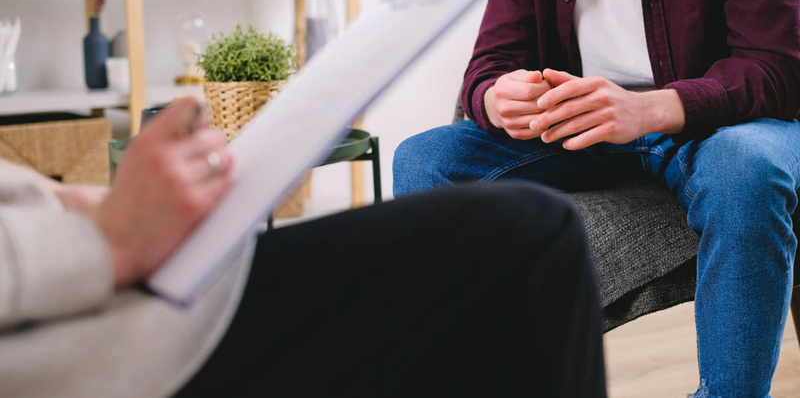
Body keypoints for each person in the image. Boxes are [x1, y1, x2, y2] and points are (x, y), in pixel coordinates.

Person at [393, 0, 800, 396]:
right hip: (581, 129)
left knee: (746, 172)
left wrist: (648, 108)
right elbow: (493, 61)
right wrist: (497, 97)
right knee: (422, 161)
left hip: (714, 124)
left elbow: (775, 67)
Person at [0, 98, 606, 398]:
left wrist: (82, 205)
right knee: (526, 234)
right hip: (104, 344)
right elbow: (488, 67)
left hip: (104, 294)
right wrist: (104, 239)